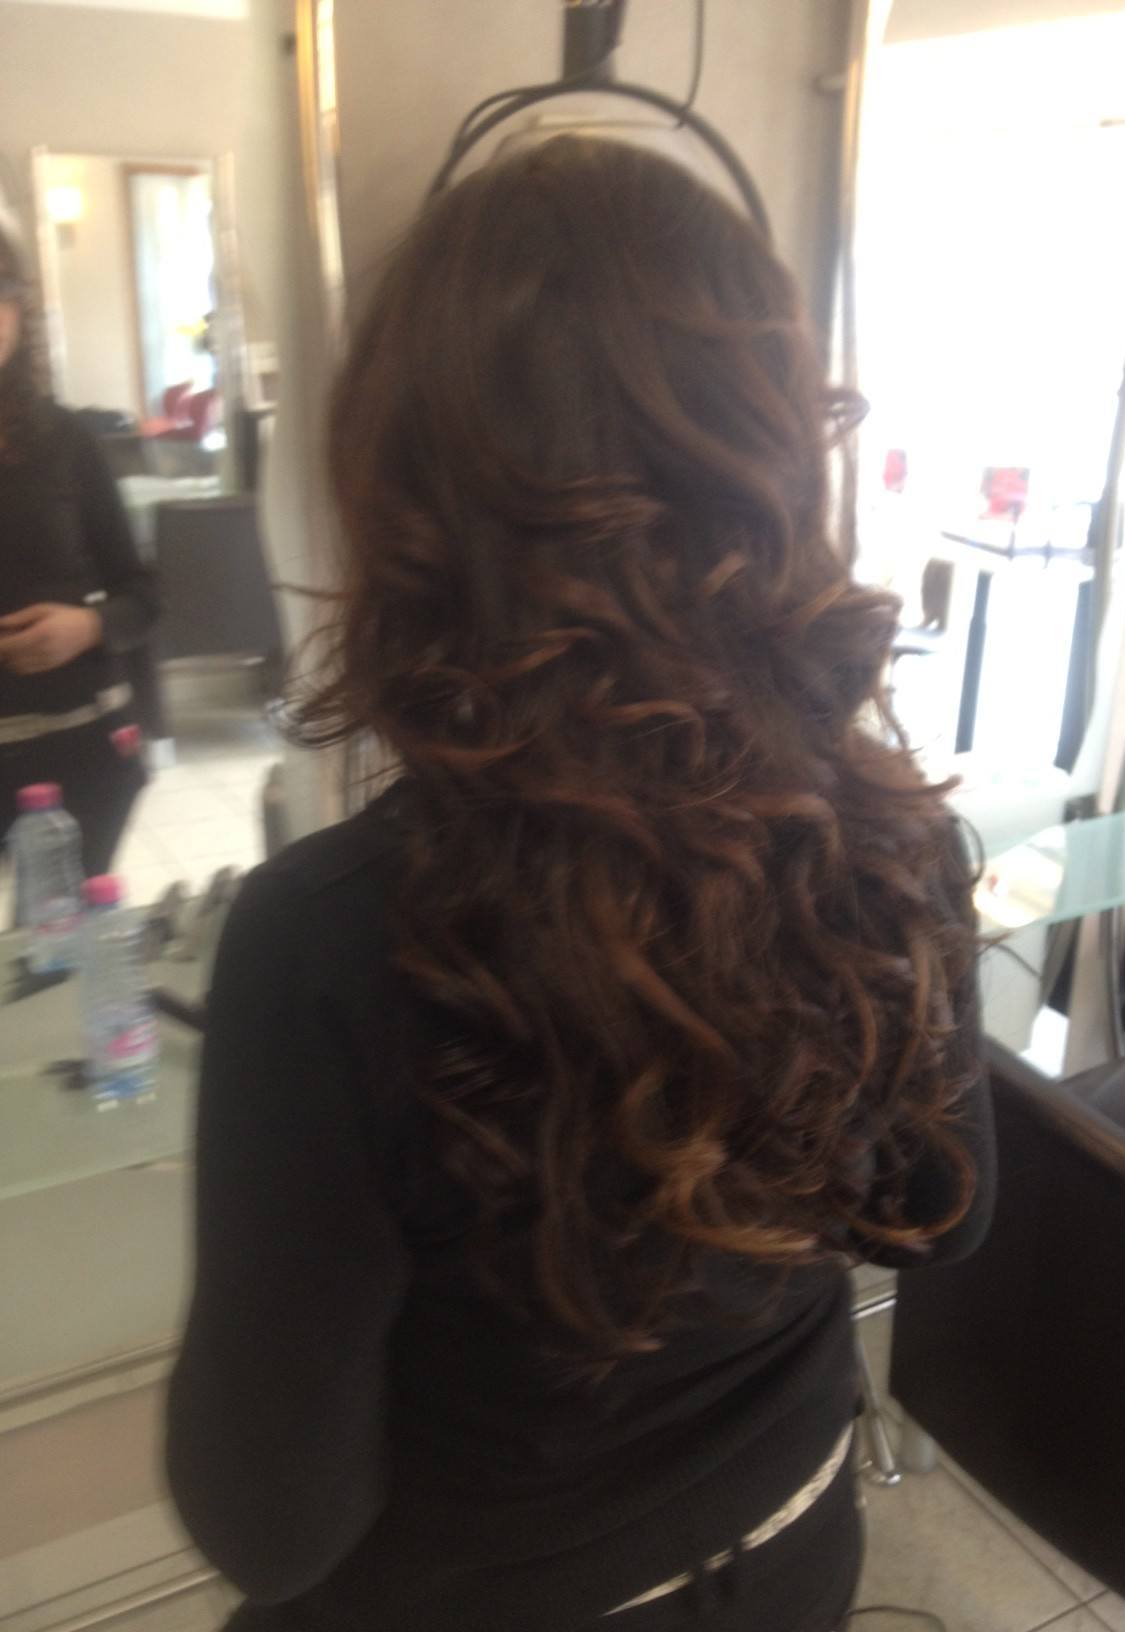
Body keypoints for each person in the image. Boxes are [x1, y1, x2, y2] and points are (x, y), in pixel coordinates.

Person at [167, 138, 995, 1632]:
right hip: (793, 1550)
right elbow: (940, 1217)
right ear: (765, 460)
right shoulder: (886, 836)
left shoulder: (328, 942)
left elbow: (271, 1526)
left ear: (408, 493)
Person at [0, 224, 157, 876]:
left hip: (82, 752)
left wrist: (89, 626)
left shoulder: (67, 441)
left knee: (70, 934)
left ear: (19, 307)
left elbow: (144, 595)